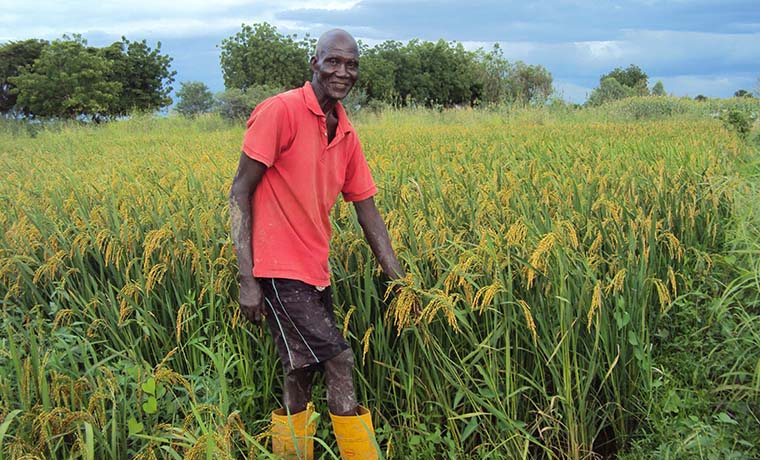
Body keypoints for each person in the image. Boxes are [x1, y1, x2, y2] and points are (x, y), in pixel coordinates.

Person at [228, 29, 405, 460]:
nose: (343, 72)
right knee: (340, 360)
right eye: (333, 62)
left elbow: (368, 211)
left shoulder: (345, 133)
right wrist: (248, 279)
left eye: (352, 65)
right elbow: (239, 192)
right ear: (315, 63)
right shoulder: (281, 111)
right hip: (277, 270)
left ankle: (290, 454)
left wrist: (401, 280)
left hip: (315, 271)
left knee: (300, 370)